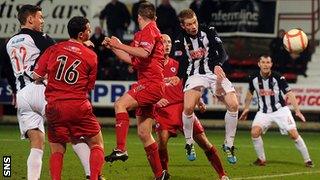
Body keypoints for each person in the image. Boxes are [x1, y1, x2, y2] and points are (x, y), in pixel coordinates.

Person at [1, 4, 98, 180]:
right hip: (40, 89)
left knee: (36, 144)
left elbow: (7, 71)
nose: (42, 20)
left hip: (22, 95)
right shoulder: (41, 38)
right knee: (73, 131)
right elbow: (64, 52)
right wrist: (83, 44)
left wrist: (15, 93)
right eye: (40, 17)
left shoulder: (8, 44)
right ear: (30, 19)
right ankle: (92, 174)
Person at [102, 2, 169, 179]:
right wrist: (114, 47)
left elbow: (144, 53)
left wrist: (120, 44)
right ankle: (160, 174)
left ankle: (121, 149)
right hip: (149, 83)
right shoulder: (143, 33)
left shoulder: (150, 30)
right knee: (144, 133)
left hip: (151, 83)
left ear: (138, 17)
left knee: (120, 104)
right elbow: (134, 59)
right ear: (154, 16)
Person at [33, 16, 105, 180]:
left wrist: (46, 79)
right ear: (81, 34)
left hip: (54, 106)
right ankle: (94, 177)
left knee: (57, 149)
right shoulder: (91, 55)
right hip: (77, 105)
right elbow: (89, 86)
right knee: (96, 144)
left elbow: (36, 75)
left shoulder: (54, 49)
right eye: (88, 29)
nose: (90, 31)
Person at [155, 34, 229, 180]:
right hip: (163, 111)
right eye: (163, 42)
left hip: (182, 108)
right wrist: (155, 101)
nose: (167, 45)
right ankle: (164, 174)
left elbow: (190, 85)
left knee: (204, 142)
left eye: (169, 42)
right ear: (157, 45)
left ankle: (222, 174)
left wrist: (199, 101)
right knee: (161, 142)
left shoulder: (178, 65)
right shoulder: (151, 67)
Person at [171, 9, 239, 164]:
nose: (193, 26)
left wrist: (218, 65)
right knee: (188, 108)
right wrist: (178, 76)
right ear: (183, 26)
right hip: (195, 75)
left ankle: (228, 144)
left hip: (214, 72)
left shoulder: (209, 31)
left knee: (234, 105)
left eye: (194, 22)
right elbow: (181, 63)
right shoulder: (179, 40)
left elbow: (222, 53)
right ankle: (189, 143)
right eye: (189, 24)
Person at [239, 55, 313, 168]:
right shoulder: (253, 77)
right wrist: (246, 108)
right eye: (263, 62)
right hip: (263, 112)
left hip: (280, 110)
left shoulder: (278, 77)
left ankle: (308, 160)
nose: (265, 65)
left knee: (293, 134)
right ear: (259, 64)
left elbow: (289, 93)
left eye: (268, 62)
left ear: (271, 64)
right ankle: (261, 159)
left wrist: (297, 111)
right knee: (254, 132)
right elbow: (250, 92)